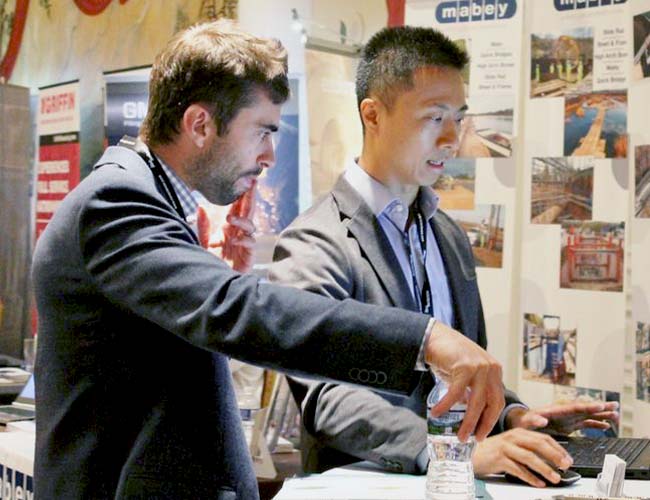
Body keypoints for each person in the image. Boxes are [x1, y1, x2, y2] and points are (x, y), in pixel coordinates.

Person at [30, 20, 505, 499]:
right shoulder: (115, 200)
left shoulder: (151, 199)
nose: (270, 155)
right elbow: (236, 309)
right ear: (200, 124)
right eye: (262, 131)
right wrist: (422, 339)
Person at [269, 25, 618, 488]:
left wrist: (513, 417)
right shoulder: (314, 242)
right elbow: (328, 399)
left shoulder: (447, 233)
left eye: (459, 117)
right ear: (372, 115)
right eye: (434, 118)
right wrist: (446, 453)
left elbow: (454, 376)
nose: (453, 139)